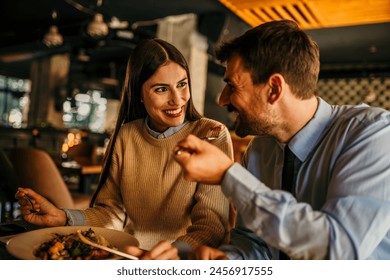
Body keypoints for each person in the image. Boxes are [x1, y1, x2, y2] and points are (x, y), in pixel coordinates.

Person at [173, 20, 390, 260]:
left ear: (274, 89)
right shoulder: (258, 151)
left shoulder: (374, 133)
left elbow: (339, 249)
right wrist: (229, 261)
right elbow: (255, 242)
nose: (223, 99)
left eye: (232, 86)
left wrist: (228, 176)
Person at [16, 38, 234, 260]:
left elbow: (211, 226)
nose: (177, 100)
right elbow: (112, 212)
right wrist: (62, 217)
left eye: (182, 84)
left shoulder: (212, 134)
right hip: (124, 257)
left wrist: (171, 255)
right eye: (161, 89)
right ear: (139, 94)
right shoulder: (125, 135)